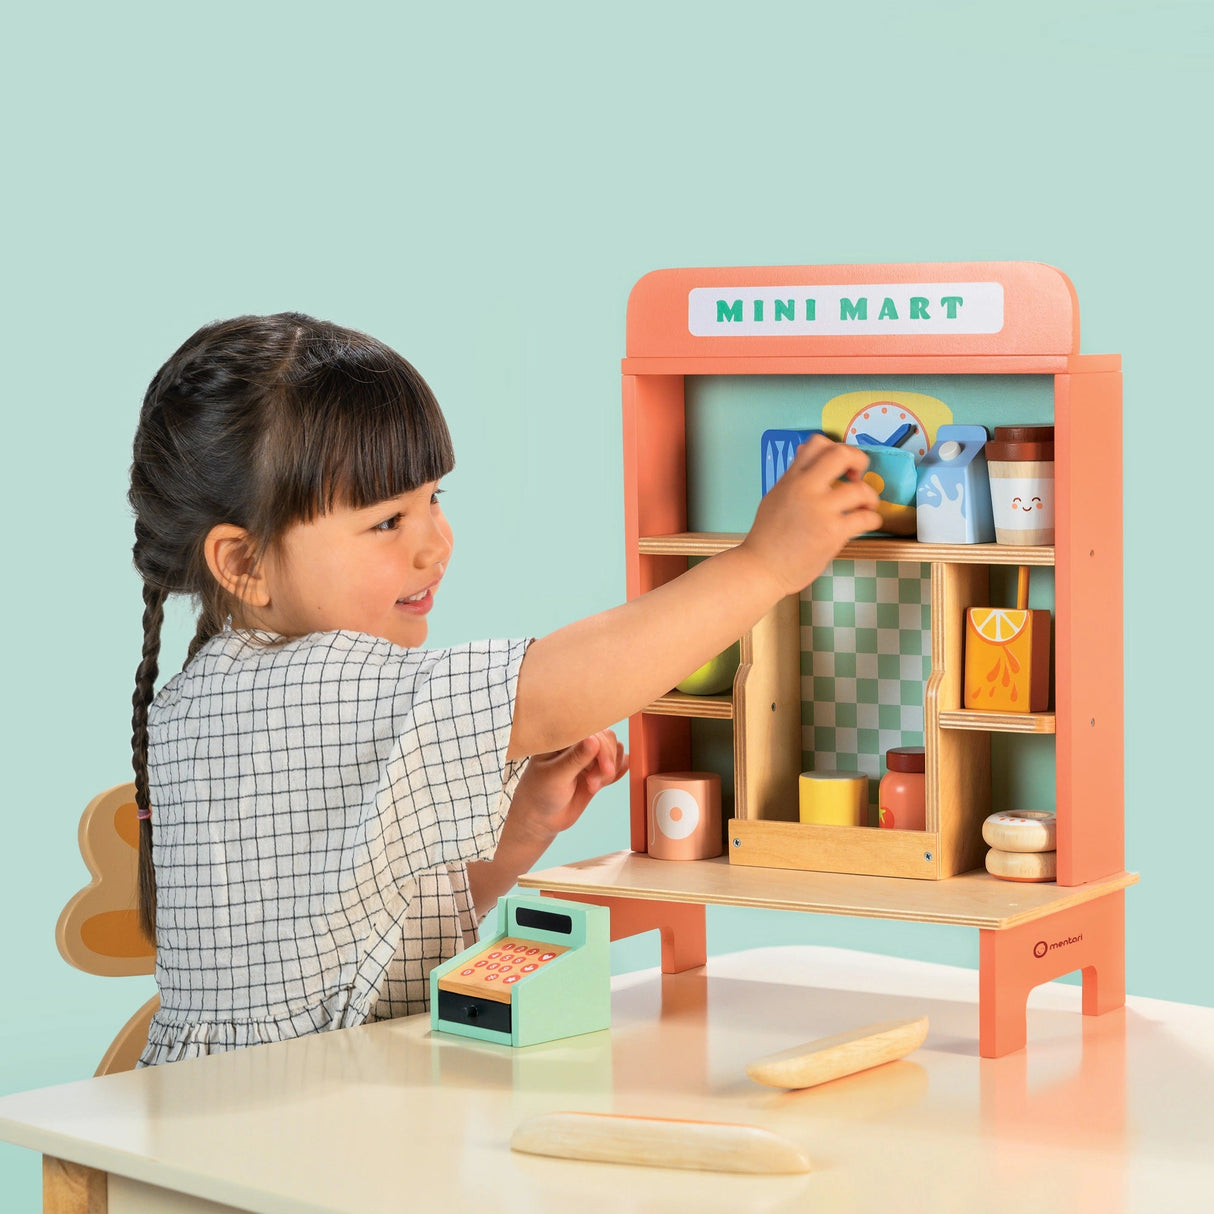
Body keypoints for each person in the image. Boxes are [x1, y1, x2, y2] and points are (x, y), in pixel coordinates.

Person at [128, 312, 881, 1066]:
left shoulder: (218, 692)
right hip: (270, 1117)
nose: (434, 542)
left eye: (434, 498)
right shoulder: (304, 688)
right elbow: (556, 689)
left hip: (297, 1096)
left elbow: (372, 920)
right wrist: (765, 567)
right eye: (387, 521)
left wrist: (518, 829)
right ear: (244, 563)